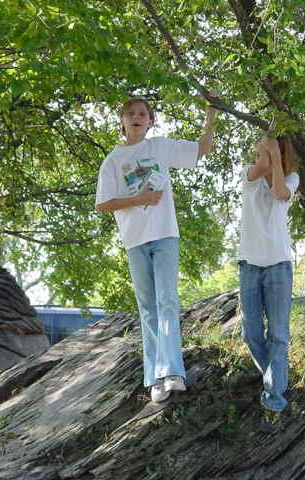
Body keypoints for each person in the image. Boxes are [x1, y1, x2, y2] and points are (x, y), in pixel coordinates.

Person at [96, 95, 219, 402]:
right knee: (148, 309)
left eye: (143, 114)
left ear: (150, 122)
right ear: (122, 120)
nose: (137, 117)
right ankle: (154, 378)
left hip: (165, 234)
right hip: (135, 240)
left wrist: (211, 116)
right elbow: (103, 204)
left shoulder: (161, 147)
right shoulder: (112, 160)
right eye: (131, 113)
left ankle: (174, 371)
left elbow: (202, 149)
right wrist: (139, 199)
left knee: (168, 301)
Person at [238, 134, 299, 432]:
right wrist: (267, 155)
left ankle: (273, 399)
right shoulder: (246, 175)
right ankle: (277, 375)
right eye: (259, 145)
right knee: (250, 333)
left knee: (278, 335)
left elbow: (278, 193)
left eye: (270, 147)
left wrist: (276, 155)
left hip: (278, 264)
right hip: (249, 264)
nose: (261, 150)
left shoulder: (292, 179)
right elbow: (258, 169)